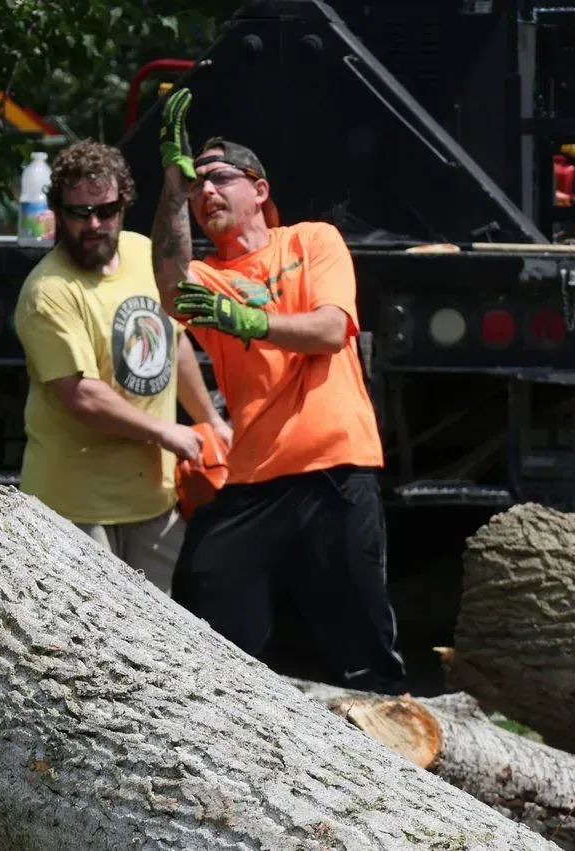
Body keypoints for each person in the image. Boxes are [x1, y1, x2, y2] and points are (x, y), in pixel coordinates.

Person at [148, 88, 407, 693]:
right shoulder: (208, 279)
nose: (205, 191)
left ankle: (396, 764)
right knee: (206, 600)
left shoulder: (311, 241)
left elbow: (329, 328)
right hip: (254, 478)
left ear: (259, 189)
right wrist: (169, 184)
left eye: (219, 179)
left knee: (362, 644)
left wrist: (248, 321)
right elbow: (168, 283)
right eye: (196, 185)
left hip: (336, 468)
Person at [13, 139, 231, 593]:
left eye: (106, 209)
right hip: (75, 507)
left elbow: (175, 344)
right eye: (79, 213)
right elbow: (81, 395)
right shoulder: (48, 290)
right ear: (58, 212)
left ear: (123, 205)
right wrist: (167, 432)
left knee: (157, 642)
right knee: (85, 643)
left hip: (155, 501)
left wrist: (210, 420)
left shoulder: (141, 254)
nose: (94, 224)